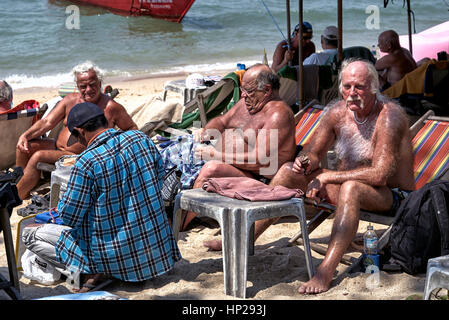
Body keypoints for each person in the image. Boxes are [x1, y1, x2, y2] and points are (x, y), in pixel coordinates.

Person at [256, 59, 415, 294]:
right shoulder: (337, 112)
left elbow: (380, 175)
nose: (352, 93)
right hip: (347, 184)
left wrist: (328, 177)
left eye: (359, 87)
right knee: (287, 171)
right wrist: (305, 163)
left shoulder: (389, 117)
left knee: (351, 187)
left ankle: (324, 272)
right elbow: (314, 152)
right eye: (347, 86)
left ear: (374, 87)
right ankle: (248, 237)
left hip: (393, 197)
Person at [22, 102, 181, 292]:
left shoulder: (87, 162)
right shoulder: (141, 139)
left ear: (80, 132)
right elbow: (159, 177)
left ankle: (93, 271)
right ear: (105, 121)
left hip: (114, 258)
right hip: (155, 255)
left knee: (29, 233)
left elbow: (70, 217)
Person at [180, 64, 297, 249]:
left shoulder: (278, 115)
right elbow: (222, 120)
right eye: (243, 89)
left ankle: (180, 225)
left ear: (266, 90)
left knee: (212, 169)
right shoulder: (247, 103)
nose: (243, 95)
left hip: (260, 178)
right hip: (231, 163)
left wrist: (215, 154)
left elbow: (261, 160)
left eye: (248, 91)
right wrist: (206, 131)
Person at [15, 61, 137, 200]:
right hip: (57, 147)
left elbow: (132, 128)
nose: (88, 89)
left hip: (80, 156)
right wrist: (24, 136)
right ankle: (22, 185)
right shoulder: (70, 100)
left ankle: (16, 196)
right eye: (83, 86)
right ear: (77, 86)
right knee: (24, 146)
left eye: (92, 84)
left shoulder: (111, 107)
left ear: (100, 82)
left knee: (38, 156)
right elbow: (47, 122)